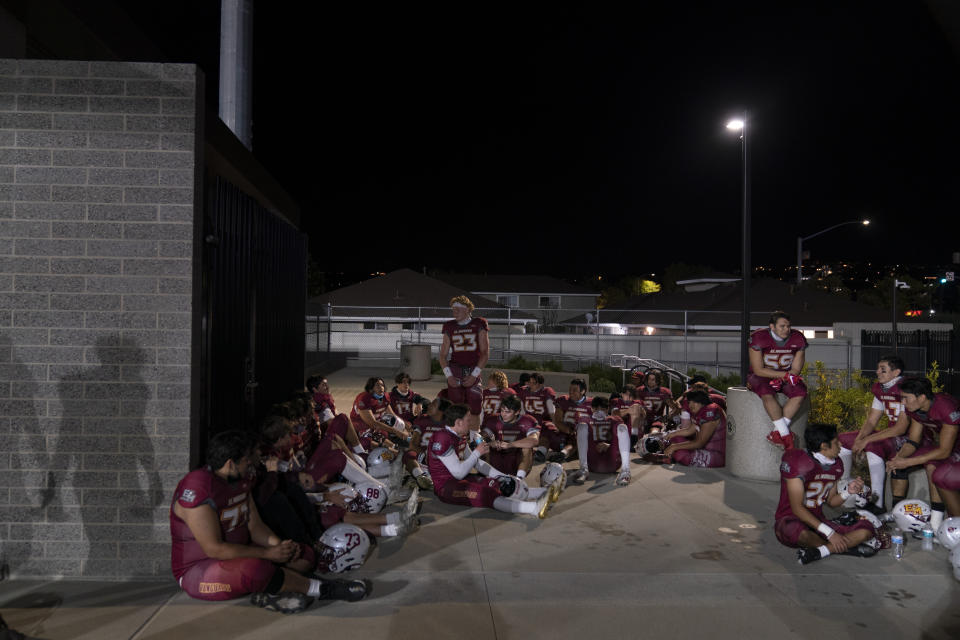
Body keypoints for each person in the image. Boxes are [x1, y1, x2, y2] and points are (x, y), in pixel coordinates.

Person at [170, 431, 368, 613]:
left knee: (304, 555)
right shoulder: (198, 486)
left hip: (239, 553)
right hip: (199, 569)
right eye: (247, 460)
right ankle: (322, 589)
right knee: (255, 569)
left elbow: (254, 526)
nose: (251, 464)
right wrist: (267, 554)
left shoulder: (241, 479)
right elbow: (214, 549)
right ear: (230, 463)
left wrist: (279, 546)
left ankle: (270, 591)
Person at [428, 403, 560, 518]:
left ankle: (544, 493)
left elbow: (478, 464)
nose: (471, 423)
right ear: (458, 422)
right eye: (468, 420)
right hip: (445, 487)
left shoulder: (459, 436)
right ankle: (534, 509)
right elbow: (458, 473)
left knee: (501, 484)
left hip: (460, 479)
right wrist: (477, 453)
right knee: (488, 494)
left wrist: (504, 477)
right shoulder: (442, 437)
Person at [775, 423, 879, 565]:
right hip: (790, 519)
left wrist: (848, 492)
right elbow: (797, 508)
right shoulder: (797, 461)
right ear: (824, 446)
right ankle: (846, 548)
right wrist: (830, 534)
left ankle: (821, 551)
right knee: (802, 534)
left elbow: (832, 501)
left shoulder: (836, 465)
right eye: (836, 442)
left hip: (818, 520)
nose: (841, 445)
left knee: (866, 530)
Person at [837, 354, 911, 513]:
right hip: (892, 433)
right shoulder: (880, 388)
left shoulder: (907, 387)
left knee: (872, 444)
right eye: (878, 368)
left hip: (908, 437)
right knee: (843, 440)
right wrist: (858, 440)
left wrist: (866, 440)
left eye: (883, 370)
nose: (877, 372)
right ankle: (843, 487)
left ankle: (877, 503)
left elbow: (901, 428)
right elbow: (872, 420)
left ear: (896, 372)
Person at [886, 377, 960, 532]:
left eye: (906, 398)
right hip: (949, 446)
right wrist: (899, 458)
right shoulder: (916, 409)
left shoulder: (946, 407)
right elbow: (913, 441)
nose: (903, 403)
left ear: (922, 397)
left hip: (953, 448)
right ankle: (933, 524)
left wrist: (907, 462)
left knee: (937, 471)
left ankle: (950, 522)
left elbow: (944, 451)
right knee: (924, 464)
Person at [747, 310, 808, 450]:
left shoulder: (798, 338)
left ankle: (776, 433)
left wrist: (785, 377)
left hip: (785, 375)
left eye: (788, 326)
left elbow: (796, 369)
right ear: (772, 327)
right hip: (761, 376)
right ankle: (786, 436)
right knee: (767, 394)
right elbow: (758, 369)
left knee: (800, 392)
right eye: (782, 326)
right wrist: (783, 376)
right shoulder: (759, 338)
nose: (786, 329)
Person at [439, 295, 489, 430]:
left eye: (458, 309)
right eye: (453, 309)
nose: (454, 312)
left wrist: (474, 375)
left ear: (467, 309)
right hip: (455, 369)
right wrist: (449, 375)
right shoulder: (449, 326)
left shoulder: (479, 323)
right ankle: (458, 437)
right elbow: (442, 355)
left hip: (473, 368)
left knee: (475, 401)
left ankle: (474, 438)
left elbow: (485, 353)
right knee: (455, 407)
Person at [572, 396, 632, 487]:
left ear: (607, 409)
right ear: (591, 409)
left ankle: (625, 472)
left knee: (622, 427)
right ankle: (583, 469)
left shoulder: (614, 419)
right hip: (592, 461)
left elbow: (619, 439)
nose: (599, 411)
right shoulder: (586, 420)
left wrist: (609, 445)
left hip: (612, 460)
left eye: (602, 408)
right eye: (596, 409)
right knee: (582, 426)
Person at [482, 394, 541, 478]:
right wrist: (490, 442)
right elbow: (480, 437)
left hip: (516, 461)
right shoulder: (493, 420)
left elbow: (534, 441)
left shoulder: (527, 421)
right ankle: (487, 478)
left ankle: (519, 479)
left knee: (527, 448)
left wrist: (510, 445)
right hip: (496, 459)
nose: (503, 414)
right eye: (502, 410)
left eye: (508, 412)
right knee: (482, 446)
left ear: (517, 412)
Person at [663, 390, 726, 468]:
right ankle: (668, 451)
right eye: (690, 402)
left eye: (695, 402)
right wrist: (671, 434)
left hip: (716, 454)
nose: (691, 405)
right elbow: (689, 430)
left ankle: (670, 454)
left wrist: (674, 447)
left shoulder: (710, 411)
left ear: (703, 402)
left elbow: (699, 443)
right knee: (674, 438)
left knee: (681, 455)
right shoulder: (700, 410)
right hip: (704, 449)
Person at [350, 377, 410, 450]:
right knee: (370, 440)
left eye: (382, 385)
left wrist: (407, 427)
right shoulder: (364, 398)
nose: (381, 387)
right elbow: (372, 423)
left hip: (376, 424)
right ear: (370, 388)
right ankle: (392, 447)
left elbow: (392, 414)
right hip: (361, 425)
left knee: (399, 423)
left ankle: (395, 443)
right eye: (377, 385)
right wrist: (396, 431)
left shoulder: (385, 396)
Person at [548, 378, 592, 463]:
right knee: (546, 429)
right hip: (565, 433)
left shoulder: (592, 403)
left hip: (584, 436)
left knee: (578, 441)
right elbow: (558, 421)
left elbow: (597, 422)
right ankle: (541, 451)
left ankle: (563, 454)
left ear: (583, 391)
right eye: (570, 389)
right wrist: (569, 431)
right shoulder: (563, 400)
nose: (571, 392)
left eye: (574, 390)